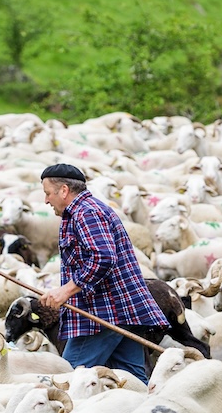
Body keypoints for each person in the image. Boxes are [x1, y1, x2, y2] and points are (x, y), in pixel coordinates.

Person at [37, 163, 169, 383]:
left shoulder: (86, 213)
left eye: (48, 193)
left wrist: (66, 291)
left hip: (104, 313)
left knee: (70, 379)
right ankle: (146, 403)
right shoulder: (85, 211)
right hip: (119, 310)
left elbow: (103, 257)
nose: (46, 200)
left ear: (64, 190)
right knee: (131, 379)